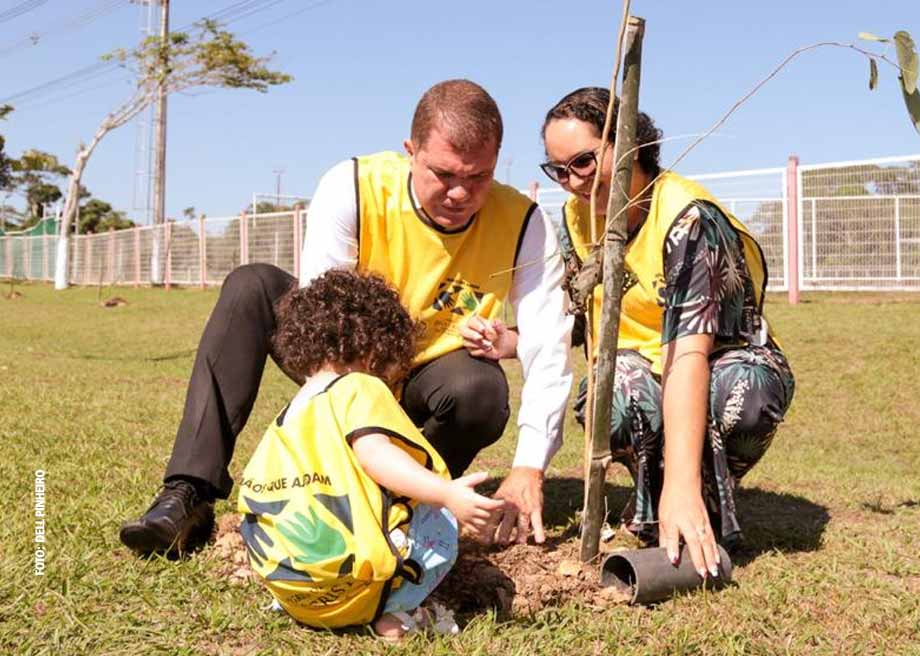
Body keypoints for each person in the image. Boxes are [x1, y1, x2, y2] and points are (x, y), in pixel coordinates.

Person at [120, 79, 573, 557]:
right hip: (345, 357)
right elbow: (323, 329)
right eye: (443, 173)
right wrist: (327, 439)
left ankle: (395, 503)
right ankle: (187, 494)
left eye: (478, 177)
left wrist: (528, 467)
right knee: (250, 286)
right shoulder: (352, 186)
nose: (460, 193)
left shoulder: (526, 223)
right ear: (410, 151)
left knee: (479, 391)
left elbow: (548, 344)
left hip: (428, 376)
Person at [463, 87, 795, 580]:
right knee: (607, 388)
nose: (573, 182)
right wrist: (512, 341)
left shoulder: (687, 219)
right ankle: (660, 506)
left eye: (582, 162)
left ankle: (694, 499)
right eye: (558, 170)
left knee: (740, 392)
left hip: (714, 364)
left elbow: (690, 355)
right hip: (642, 372)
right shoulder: (577, 219)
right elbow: (584, 314)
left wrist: (682, 483)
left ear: (630, 146)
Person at [238, 268, 499, 637]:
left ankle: (298, 605)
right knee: (439, 520)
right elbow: (376, 456)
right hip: (358, 589)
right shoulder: (359, 387)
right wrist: (446, 494)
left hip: (295, 587)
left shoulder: (294, 410)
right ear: (377, 346)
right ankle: (394, 611)